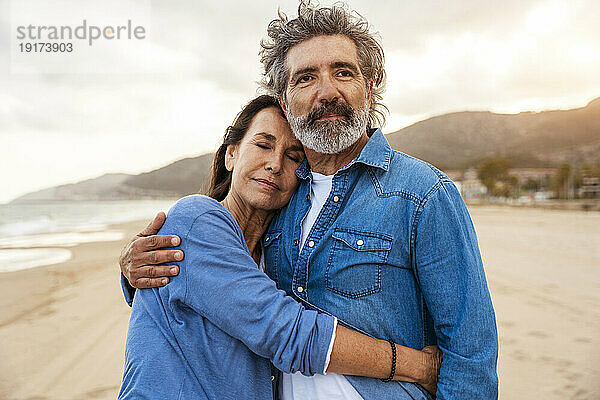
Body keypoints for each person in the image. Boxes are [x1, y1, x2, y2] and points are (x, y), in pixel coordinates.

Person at [120, 2, 499, 399]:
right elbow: (254, 306)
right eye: (305, 78)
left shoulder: (423, 194)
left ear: (368, 89)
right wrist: (134, 273)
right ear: (285, 102)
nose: (327, 92)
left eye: (343, 72)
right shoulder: (280, 202)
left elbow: (470, 356)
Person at [118, 95, 441, 399]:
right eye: (263, 145)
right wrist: (418, 366)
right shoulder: (197, 217)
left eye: (293, 156)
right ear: (231, 154)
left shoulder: (278, 253)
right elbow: (284, 331)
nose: (275, 164)